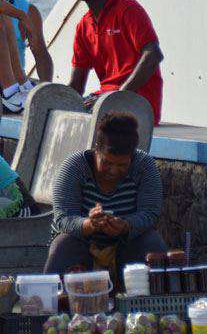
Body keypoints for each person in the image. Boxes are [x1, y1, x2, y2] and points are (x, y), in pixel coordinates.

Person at [44, 112, 166, 279]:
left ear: (132, 156)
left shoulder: (145, 166)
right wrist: (89, 224)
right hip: (82, 244)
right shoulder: (74, 167)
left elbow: (150, 213)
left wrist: (126, 226)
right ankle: (54, 302)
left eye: (122, 164)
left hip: (125, 244)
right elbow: (62, 218)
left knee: (152, 242)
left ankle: (148, 302)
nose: (114, 171)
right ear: (96, 150)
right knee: (63, 244)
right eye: (107, 162)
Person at [67, 0, 164, 123]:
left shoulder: (127, 9)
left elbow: (153, 54)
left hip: (137, 103)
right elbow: (76, 86)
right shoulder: (83, 26)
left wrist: (119, 97)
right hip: (105, 99)